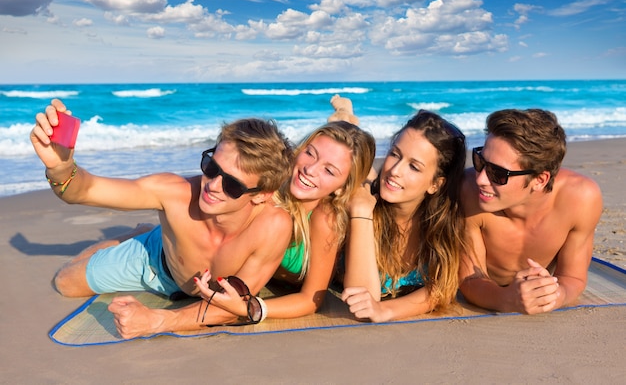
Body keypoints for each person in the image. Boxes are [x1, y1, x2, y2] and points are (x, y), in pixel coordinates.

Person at [30, 98, 294, 337]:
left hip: (192, 271)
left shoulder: (272, 226)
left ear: (261, 195)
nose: (213, 185)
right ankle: (139, 237)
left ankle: (146, 231)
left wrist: (157, 320)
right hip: (159, 261)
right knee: (65, 283)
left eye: (233, 185)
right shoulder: (174, 193)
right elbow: (86, 190)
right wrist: (61, 168)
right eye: (211, 167)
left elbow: (235, 307)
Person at [194, 120, 376, 319]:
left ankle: (345, 116)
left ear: (343, 187)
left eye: (329, 170)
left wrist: (251, 308)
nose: (310, 169)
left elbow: (310, 300)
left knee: (371, 182)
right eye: (309, 153)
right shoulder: (267, 189)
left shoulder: (325, 219)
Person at [459, 108, 603, 314]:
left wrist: (555, 295)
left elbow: (573, 277)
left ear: (539, 180)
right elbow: (470, 281)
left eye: (497, 173)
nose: (480, 179)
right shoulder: (467, 190)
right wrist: (507, 300)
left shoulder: (580, 198)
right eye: (480, 161)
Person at [341, 110, 467, 322]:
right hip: (369, 191)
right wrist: (361, 213)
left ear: (435, 184)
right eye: (394, 154)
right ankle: (345, 120)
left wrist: (387, 310)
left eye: (414, 166)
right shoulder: (363, 204)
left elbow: (441, 288)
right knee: (355, 158)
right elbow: (361, 298)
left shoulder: (442, 222)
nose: (395, 170)